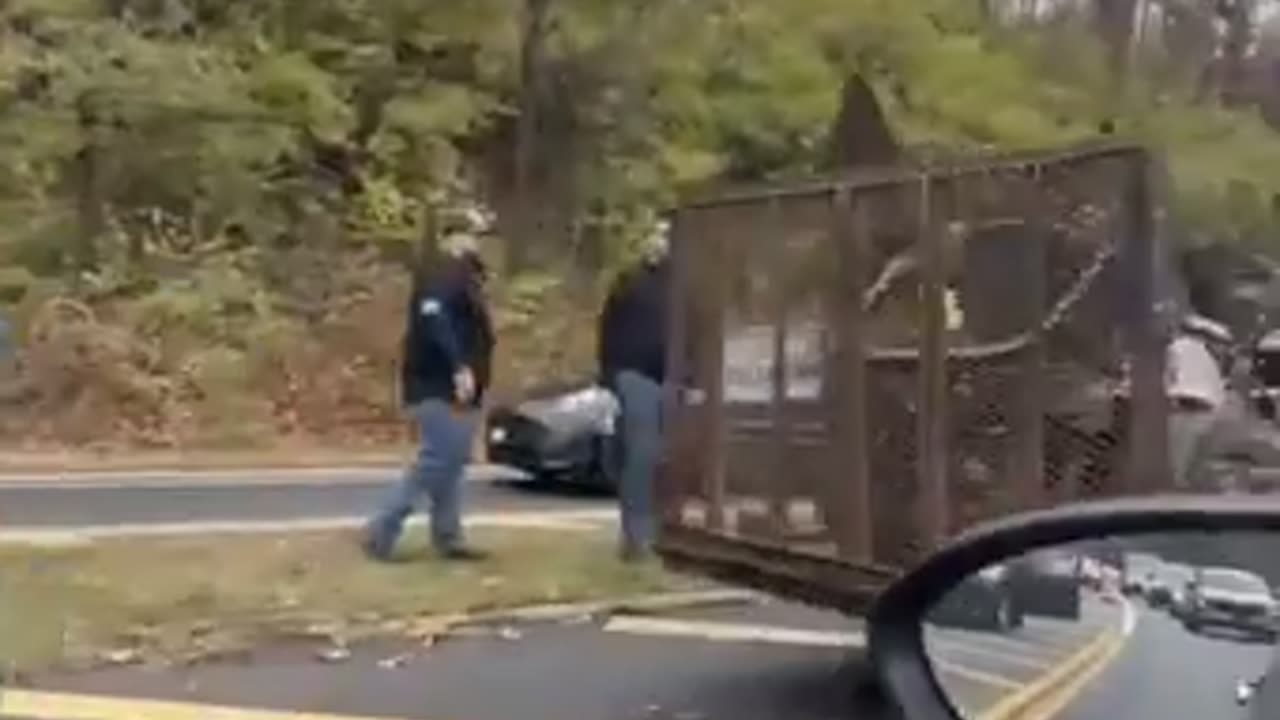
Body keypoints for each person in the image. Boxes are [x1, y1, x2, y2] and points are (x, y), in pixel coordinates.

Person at [364, 246, 494, 562]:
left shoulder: (462, 278)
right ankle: (382, 529)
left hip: (457, 390)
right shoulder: (443, 276)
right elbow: (436, 320)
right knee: (437, 462)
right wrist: (459, 366)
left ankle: (448, 536)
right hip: (439, 387)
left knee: (451, 464)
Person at [598, 223, 671, 562]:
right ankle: (636, 536)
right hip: (634, 374)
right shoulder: (629, 281)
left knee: (665, 458)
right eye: (653, 235)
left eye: (665, 236)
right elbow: (607, 328)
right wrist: (609, 377)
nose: (658, 242)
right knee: (643, 451)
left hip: (675, 377)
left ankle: (661, 531)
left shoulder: (686, 283)